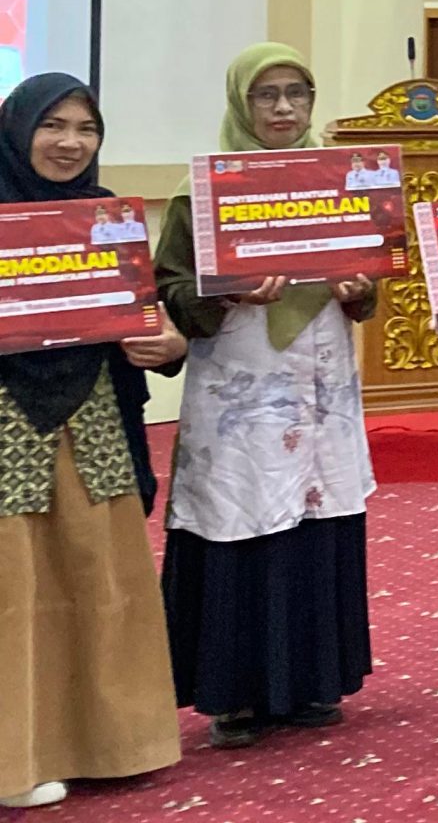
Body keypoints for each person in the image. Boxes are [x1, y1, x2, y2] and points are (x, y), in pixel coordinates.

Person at [156, 44, 379, 747]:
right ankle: (236, 694)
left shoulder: (341, 184)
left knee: (318, 515)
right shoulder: (201, 193)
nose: (284, 108)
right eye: (266, 95)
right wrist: (227, 290)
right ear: (240, 103)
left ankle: (311, 682)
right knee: (240, 521)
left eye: (297, 93)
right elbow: (168, 289)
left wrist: (360, 289)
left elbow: (373, 276)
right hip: (239, 390)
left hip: (322, 387)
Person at [0, 76, 185, 810]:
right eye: (53, 126)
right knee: (13, 583)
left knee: (97, 571)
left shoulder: (106, 219)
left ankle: (109, 744)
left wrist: (169, 343)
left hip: (93, 415)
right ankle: (14, 757)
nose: (70, 143)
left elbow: (149, 324)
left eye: (86, 128)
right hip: (8, 418)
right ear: (18, 131)